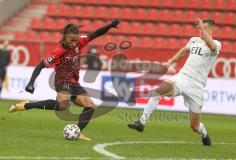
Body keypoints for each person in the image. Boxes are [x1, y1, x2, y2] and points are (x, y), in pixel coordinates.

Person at [9, 20, 120, 140]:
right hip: (62, 81)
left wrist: (109, 25)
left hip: (75, 83)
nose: (74, 43)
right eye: (71, 40)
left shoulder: (79, 43)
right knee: (63, 106)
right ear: (65, 37)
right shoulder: (59, 51)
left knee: (90, 105)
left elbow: (95, 33)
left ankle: (78, 132)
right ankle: (26, 105)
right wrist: (31, 83)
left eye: (75, 40)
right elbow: (40, 65)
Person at [128, 18, 221, 146]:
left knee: (194, 126)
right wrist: (169, 62)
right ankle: (141, 123)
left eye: (204, 28)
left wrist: (202, 28)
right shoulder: (194, 40)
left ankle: (204, 134)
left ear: (211, 29)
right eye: (200, 28)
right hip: (182, 77)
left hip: (197, 86)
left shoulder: (216, 43)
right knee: (158, 91)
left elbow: (212, 47)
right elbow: (184, 50)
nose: (200, 30)